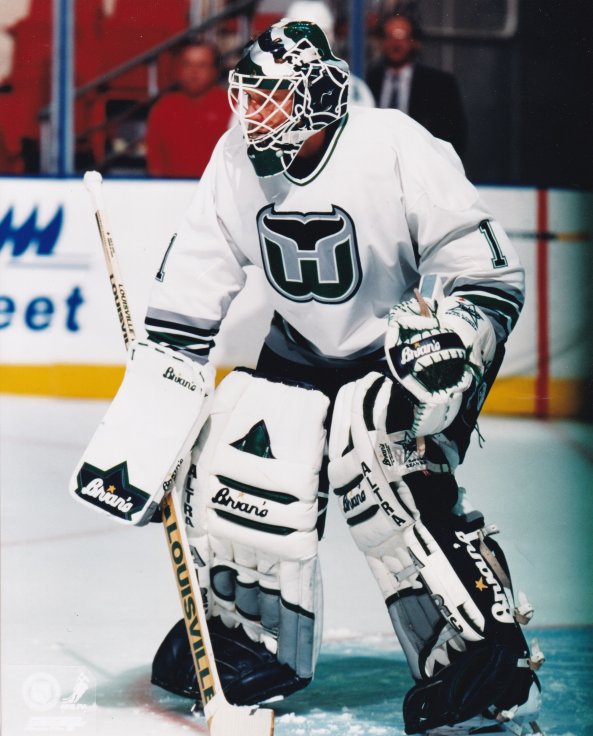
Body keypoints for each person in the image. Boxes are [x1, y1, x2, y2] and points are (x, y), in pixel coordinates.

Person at [97, 20, 544, 735]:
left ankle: (482, 657)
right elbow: (196, 271)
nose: (254, 112)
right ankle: (252, 644)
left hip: (404, 352)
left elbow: (484, 270)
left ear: (320, 97)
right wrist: (151, 417)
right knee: (239, 465)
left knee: (387, 478)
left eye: (273, 97)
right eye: (249, 95)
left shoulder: (393, 142)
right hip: (298, 349)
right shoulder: (238, 155)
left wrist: (454, 337)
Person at [366, 12, 468, 158]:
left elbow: (455, 138)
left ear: (415, 42)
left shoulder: (440, 84)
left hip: (421, 167)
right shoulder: (368, 80)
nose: (395, 44)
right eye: (389, 37)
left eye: (402, 37)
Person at [145, 39, 231, 178]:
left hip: (219, 192)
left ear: (215, 70)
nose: (193, 72)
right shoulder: (163, 108)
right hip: (173, 191)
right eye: (187, 64)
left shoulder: (232, 106)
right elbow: (155, 164)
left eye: (202, 65)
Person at [284, 0, 376, 107]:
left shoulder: (354, 89)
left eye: (319, 36)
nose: (311, 45)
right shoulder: (272, 85)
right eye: (301, 36)